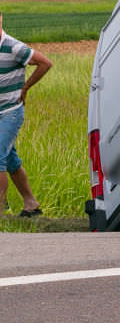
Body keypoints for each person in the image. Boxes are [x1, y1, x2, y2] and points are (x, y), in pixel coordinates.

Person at [0, 11, 52, 217]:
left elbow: (45, 63)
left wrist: (26, 87)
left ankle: (1, 211)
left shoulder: (14, 47)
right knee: (10, 160)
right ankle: (31, 204)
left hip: (11, 112)